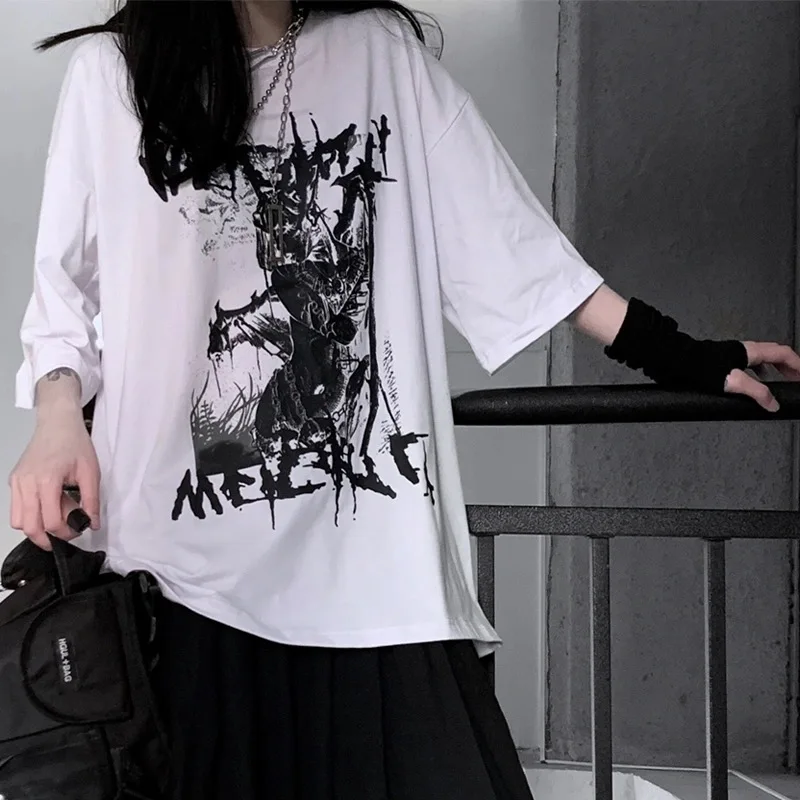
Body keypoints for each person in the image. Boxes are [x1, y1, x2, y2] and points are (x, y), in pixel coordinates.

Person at [9, 2, 800, 799]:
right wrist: (56, 419)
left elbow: (513, 242)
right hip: (178, 580)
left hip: (372, 573)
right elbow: (65, 296)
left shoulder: (378, 55)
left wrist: (682, 356)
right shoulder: (113, 76)